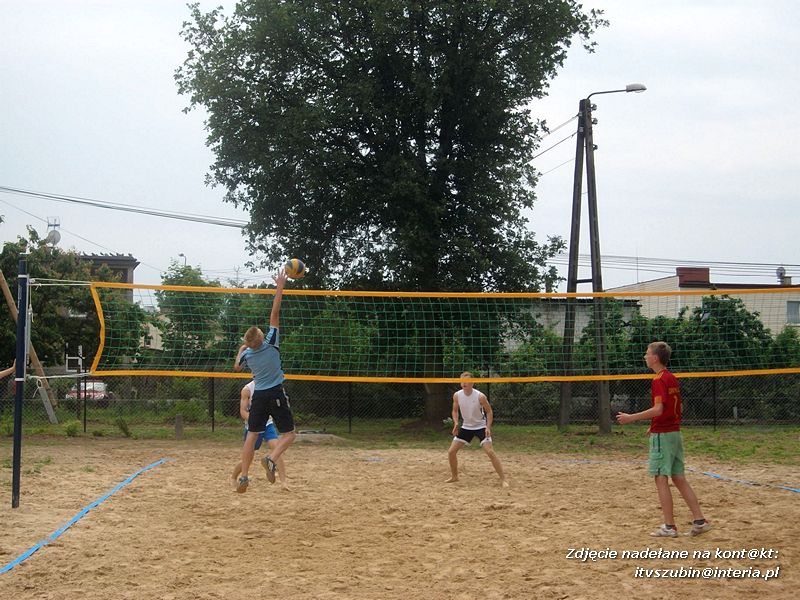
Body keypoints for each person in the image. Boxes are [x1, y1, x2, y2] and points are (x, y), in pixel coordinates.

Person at [616, 341, 711, 537]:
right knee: (679, 478)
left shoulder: (659, 379)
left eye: (647, 353)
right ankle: (699, 521)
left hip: (664, 435)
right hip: (674, 433)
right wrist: (655, 425)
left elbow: (659, 409)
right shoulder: (671, 378)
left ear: (655, 358)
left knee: (660, 478)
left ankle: (669, 526)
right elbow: (677, 409)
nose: (645, 356)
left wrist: (630, 418)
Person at [233, 269, 297, 494]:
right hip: (276, 393)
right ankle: (271, 458)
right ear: (262, 337)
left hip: (259, 395)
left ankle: (243, 476)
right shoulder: (270, 342)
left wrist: (242, 348)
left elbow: (237, 367)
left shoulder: (248, 355)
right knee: (289, 434)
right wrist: (280, 285)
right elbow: (275, 312)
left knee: (251, 436)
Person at [446, 371, 508, 488]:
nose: (464, 383)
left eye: (467, 381)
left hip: (480, 426)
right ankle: (455, 476)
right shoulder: (457, 395)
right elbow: (454, 410)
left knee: (490, 452)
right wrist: (455, 423)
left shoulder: (480, 396)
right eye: (462, 381)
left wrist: (488, 427)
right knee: (451, 452)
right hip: (466, 427)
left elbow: (489, 411)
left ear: (472, 383)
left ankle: (503, 479)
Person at [231, 380, 288, 490]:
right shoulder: (247, 390)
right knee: (248, 459)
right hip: (253, 426)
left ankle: (283, 483)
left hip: (267, 424)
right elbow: (243, 412)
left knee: (277, 450)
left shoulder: (272, 386)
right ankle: (234, 477)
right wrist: (256, 419)